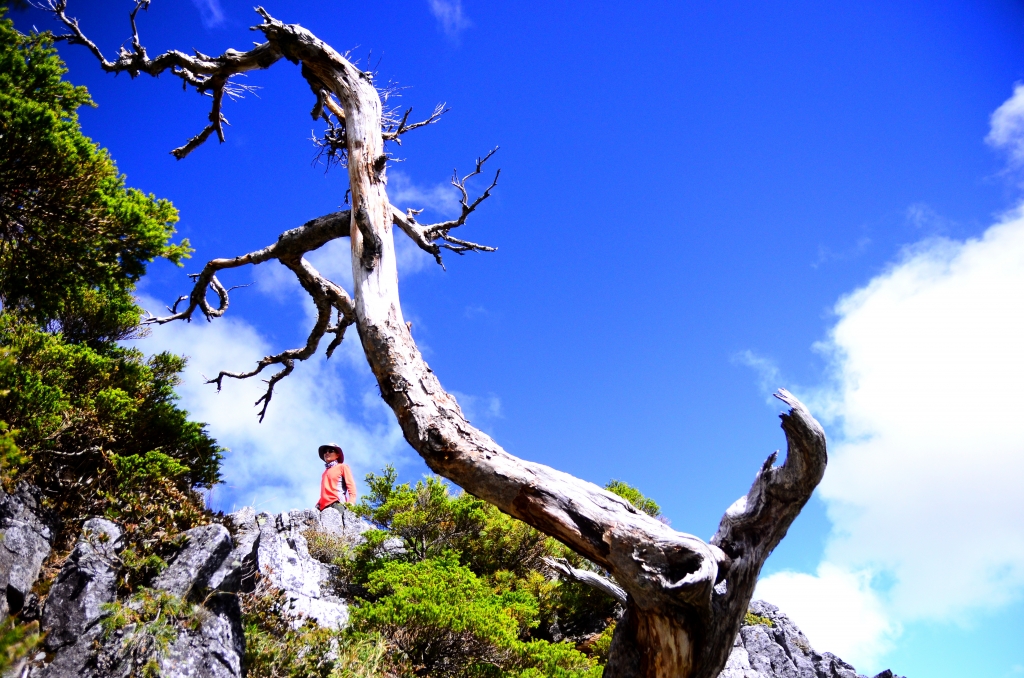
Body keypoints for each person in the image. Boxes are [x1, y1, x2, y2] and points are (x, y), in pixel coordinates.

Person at [316, 443, 357, 511]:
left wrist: (351, 501)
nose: (327, 453)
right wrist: (318, 504)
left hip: (337, 504)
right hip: (323, 508)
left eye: (330, 451)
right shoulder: (324, 473)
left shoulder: (342, 467)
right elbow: (325, 491)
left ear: (337, 455)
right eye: (325, 451)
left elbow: (351, 485)